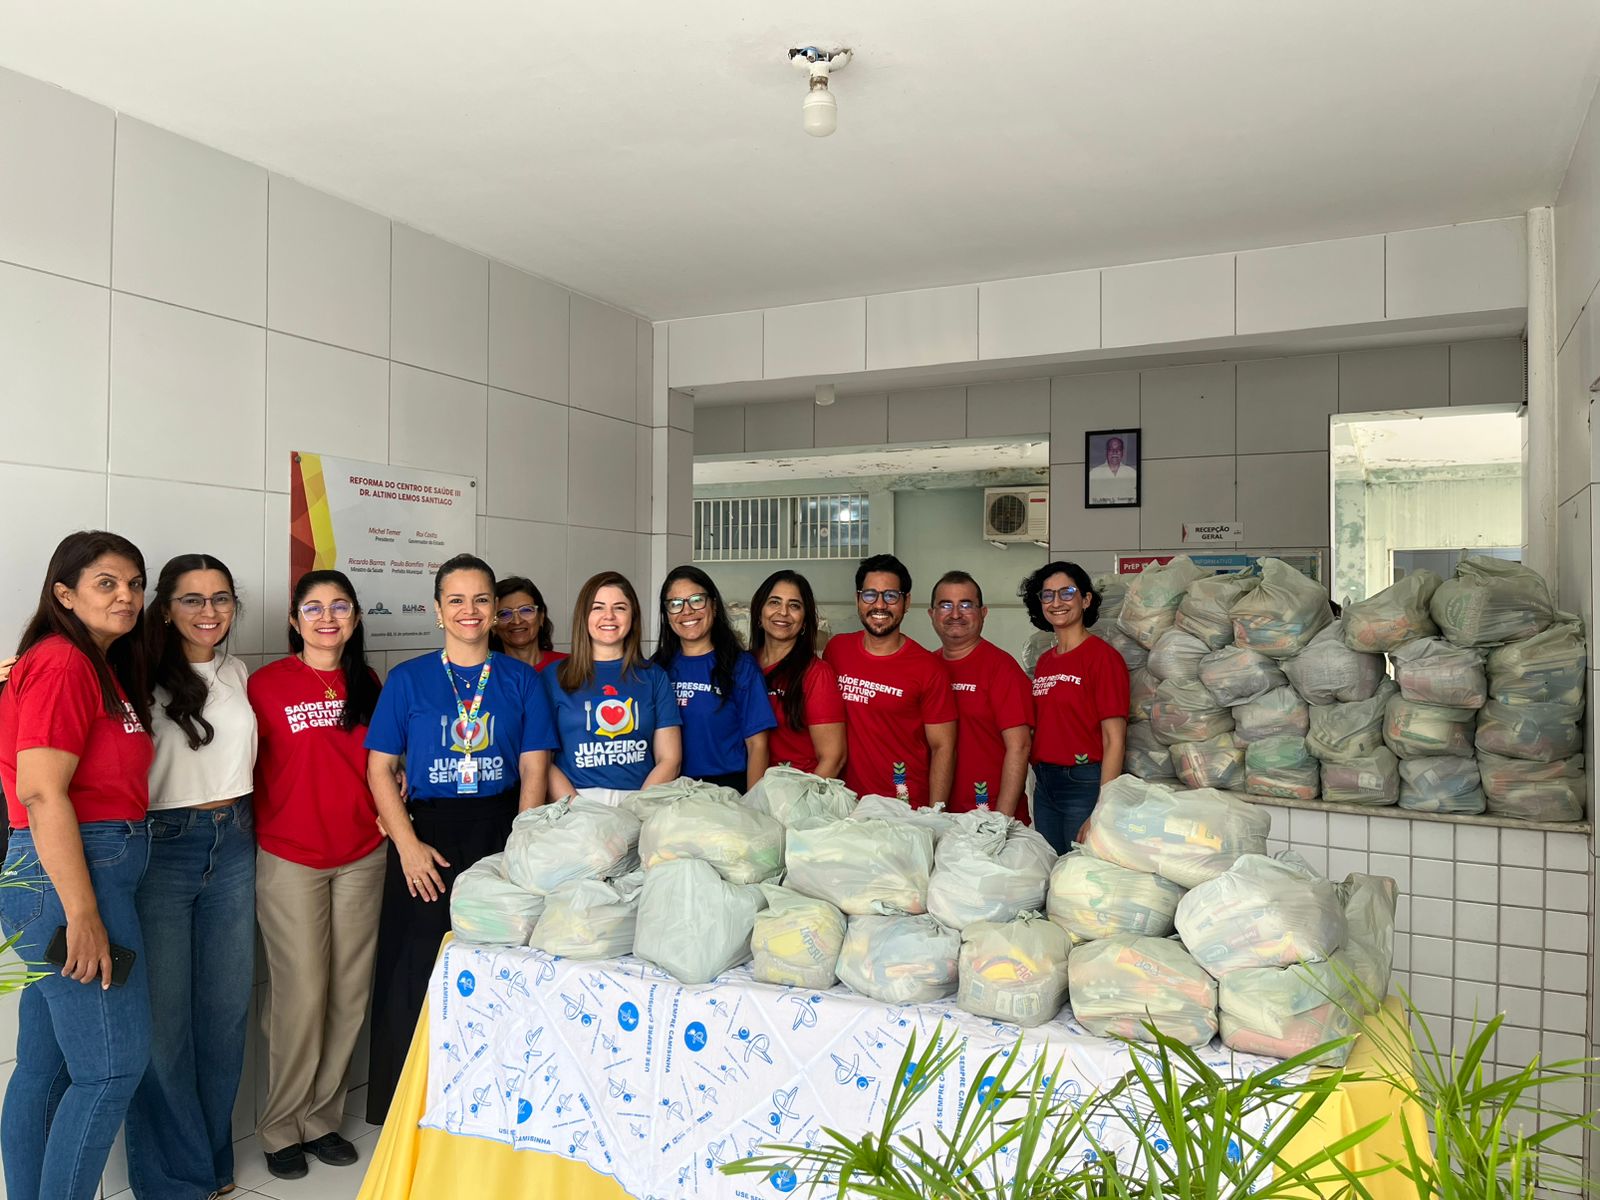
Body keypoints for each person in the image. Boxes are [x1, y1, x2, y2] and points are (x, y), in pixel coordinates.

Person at [364, 553, 559, 1125]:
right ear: (437, 610)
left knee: (500, 967)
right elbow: (380, 768)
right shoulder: (407, 679)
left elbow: (533, 768)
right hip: (427, 835)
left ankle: (493, 1101)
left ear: (494, 609)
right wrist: (406, 845)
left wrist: (517, 851)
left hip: (500, 829)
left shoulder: (521, 679)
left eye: (480, 600)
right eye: (457, 600)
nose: (469, 611)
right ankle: (405, 1109)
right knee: (414, 969)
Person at [0, 531, 155, 1200]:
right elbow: (40, 791)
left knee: (45, 1066)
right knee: (112, 1070)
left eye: (134, 583)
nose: (127, 596)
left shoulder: (91, 662)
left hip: (57, 877)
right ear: (63, 593)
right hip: (68, 879)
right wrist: (84, 914)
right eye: (107, 583)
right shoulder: (64, 662)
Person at [125, 555, 258, 1200]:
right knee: (163, 1027)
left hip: (234, 842)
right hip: (161, 848)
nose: (210, 612)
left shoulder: (237, 671)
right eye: (193, 599)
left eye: (222, 599)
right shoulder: (135, 671)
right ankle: (171, 1180)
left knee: (224, 1016)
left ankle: (211, 1165)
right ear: (166, 607)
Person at [248, 570, 385, 1180]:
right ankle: (281, 1125)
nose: (327, 618)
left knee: (349, 993)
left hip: (361, 853)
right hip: (290, 856)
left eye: (339, 607)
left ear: (354, 618)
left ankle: (323, 1120)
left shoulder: (368, 681)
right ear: (293, 620)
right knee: (299, 994)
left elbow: (383, 760)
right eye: (313, 607)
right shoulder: (265, 685)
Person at [822, 554, 956, 807]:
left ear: (906, 602)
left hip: (903, 805)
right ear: (858, 600)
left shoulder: (929, 668)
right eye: (870, 595)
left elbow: (943, 748)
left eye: (891, 596)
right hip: (843, 802)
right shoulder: (837, 650)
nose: (880, 605)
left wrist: (934, 814)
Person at [1019, 561, 1129, 854]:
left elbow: (1114, 738)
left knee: (1077, 875)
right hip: (1045, 783)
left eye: (1067, 593)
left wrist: (1102, 809)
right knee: (1053, 871)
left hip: (1083, 783)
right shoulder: (1045, 661)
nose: (1057, 602)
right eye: (1048, 595)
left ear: (1086, 599)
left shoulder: (1103, 659)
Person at [546, 571, 682, 804]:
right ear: (583, 615)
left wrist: (635, 810)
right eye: (597, 607)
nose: (609, 616)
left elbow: (670, 759)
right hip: (574, 805)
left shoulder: (653, 676)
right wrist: (577, 809)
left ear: (632, 616)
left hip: (642, 800)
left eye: (620, 607)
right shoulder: (553, 677)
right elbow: (541, 761)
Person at [651, 567, 775, 791]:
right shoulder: (656, 669)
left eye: (697, 600)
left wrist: (753, 805)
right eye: (675, 603)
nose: (687, 611)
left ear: (714, 606)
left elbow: (757, 744)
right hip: (667, 789)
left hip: (725, 790)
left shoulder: (740, 667)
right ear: (666, 614)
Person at [928, 571, 1033, 819]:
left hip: (988, 813)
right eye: (945, 605)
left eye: (966, 605)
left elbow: (1019, 746)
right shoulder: (926, 667)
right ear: (932, 614)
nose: (955, 614)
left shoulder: (1001, 669)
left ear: (983, 613)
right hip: (935, 811)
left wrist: (1001, 821)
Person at [749, 570, 845, 778]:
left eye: (794, 605)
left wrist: (799, 806)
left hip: (797, 797)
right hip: (746, 794)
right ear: (759, 612)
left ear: (804, 621)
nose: (783, 612)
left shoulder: (816, 674)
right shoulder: (742, 665)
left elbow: (833, 758)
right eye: (774, 602)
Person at [490, 575, 568, 673]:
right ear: (493, 625)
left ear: (541, 617)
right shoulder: (486, 673)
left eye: (526, 610)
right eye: (505, 614)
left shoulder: (569, 666)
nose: (517, 621)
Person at [1088, 435, 1138, 505]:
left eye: (1118, 449)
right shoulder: (1094, 474)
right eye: (1111, 449)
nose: (1115, 452)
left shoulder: (1132, 473)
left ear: (1122, 452)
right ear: (1107, 452)